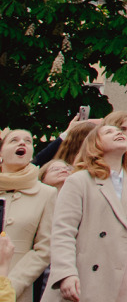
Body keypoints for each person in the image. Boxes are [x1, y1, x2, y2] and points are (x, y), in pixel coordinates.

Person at [44, 121, 127, 302]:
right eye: (108, 132)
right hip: (85, 280)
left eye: (120, 131)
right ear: (94, 144)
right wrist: (65, 273)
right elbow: (63, 232)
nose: (118, 133)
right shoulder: (79, 181)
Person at [1, 129, 56, 302]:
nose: (22, 143)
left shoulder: (46, 193)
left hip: (16, 289)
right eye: (14, 140)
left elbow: (45, 248)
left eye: (28, 141)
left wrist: (12, 284)